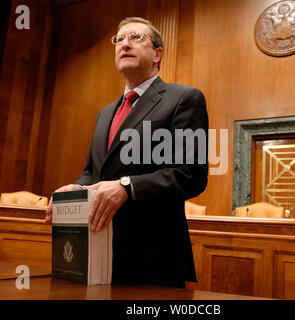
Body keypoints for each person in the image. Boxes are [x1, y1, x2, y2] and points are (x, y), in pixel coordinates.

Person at [45, 17, 208, 288]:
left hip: (152, 257)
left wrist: (126, 187)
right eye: (119, 39)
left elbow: (191, 174)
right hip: (97, 251)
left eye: (136, 37)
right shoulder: (105, 113)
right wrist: (75, 189)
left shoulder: (184, 98)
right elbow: (93, 172)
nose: (125, 44)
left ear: (158, 54)